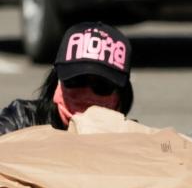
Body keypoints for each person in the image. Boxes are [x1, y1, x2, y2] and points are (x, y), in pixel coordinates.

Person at [0, 22, 133, 135]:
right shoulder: (21, 122)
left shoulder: (134, 140)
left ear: (120, 97)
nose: (87, 94)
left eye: (102, 86)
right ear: (57, 83)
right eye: (76, 80)